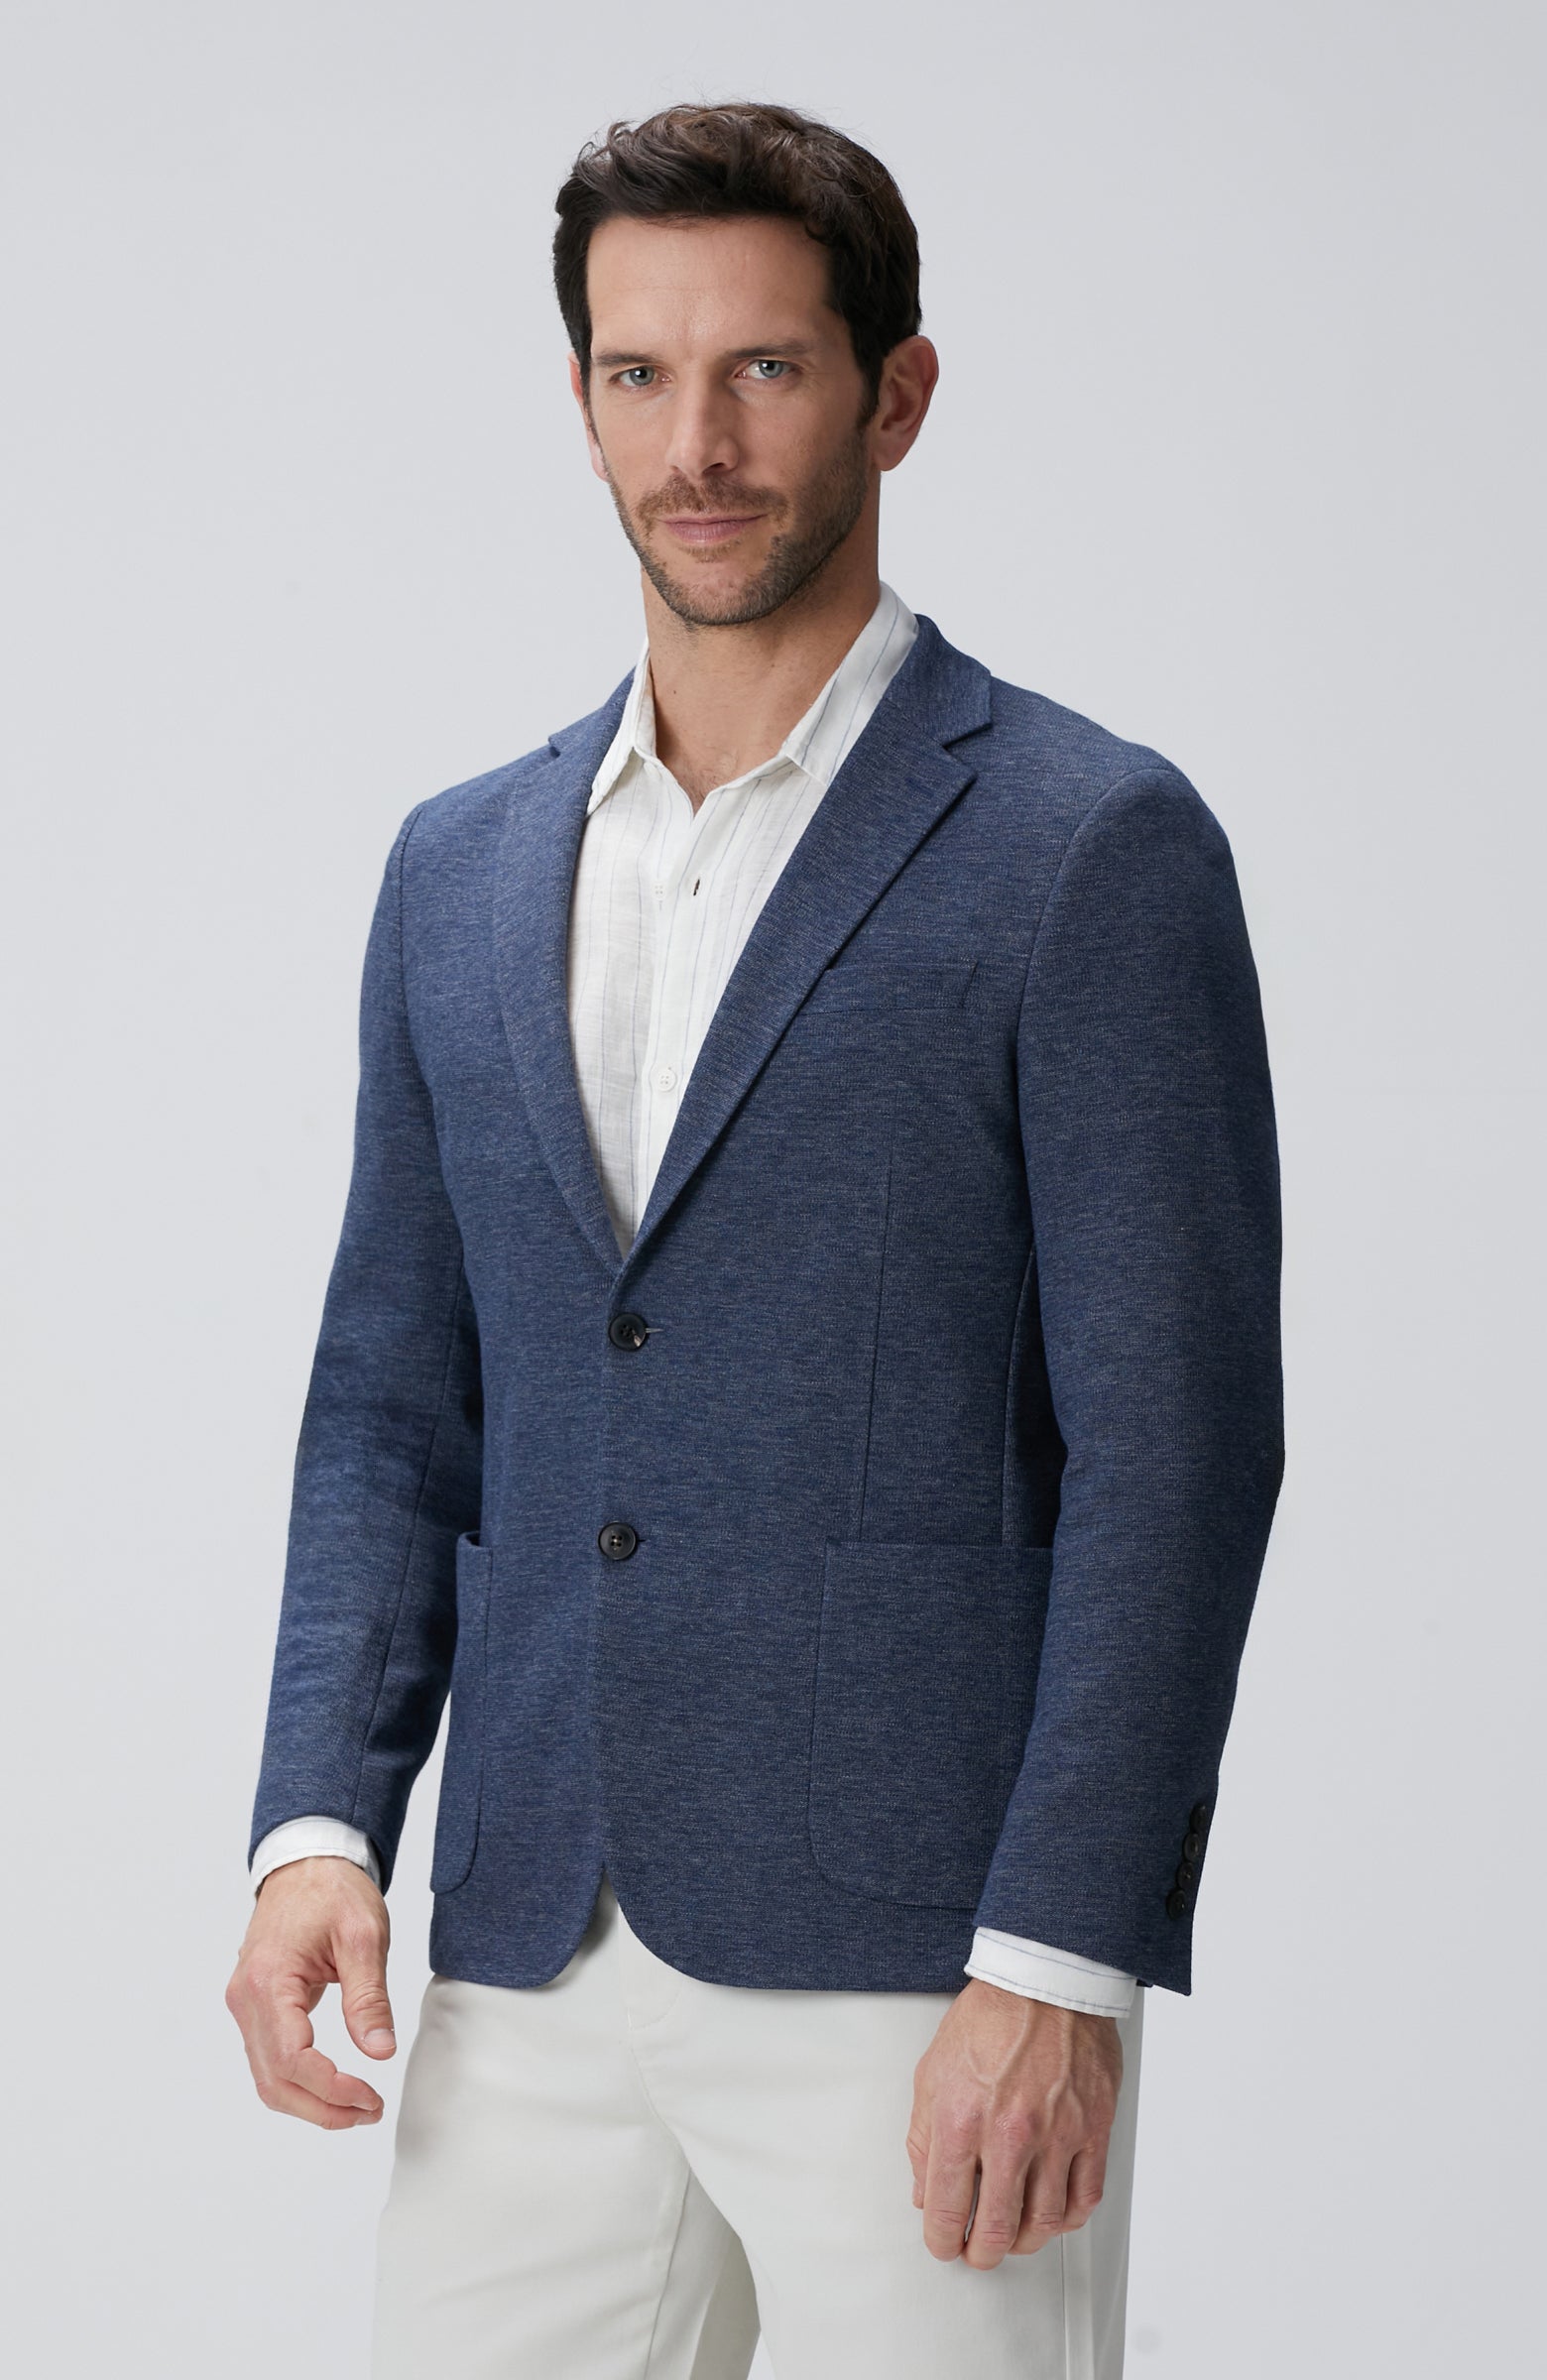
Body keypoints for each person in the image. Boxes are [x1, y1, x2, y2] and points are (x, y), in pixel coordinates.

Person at [225, 99, 1283, 2380]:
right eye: (639, 373)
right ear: (582, 395)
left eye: (766, 371)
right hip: (529, 1940)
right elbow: (393, 1409)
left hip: (928, 1968)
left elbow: (1178, 1453)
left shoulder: (1090, 848)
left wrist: (1060, 1960)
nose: (694, 445)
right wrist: (319, 1824)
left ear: (898, 394)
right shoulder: (457, 870)